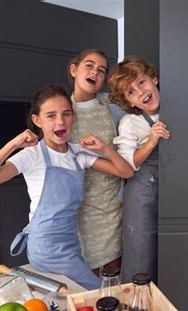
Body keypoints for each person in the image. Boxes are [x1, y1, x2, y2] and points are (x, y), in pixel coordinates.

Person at [0, 85, 133, 290]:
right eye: (51, 116)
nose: (60, 122)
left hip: (70, 243)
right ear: (38, 120)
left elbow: (126, 172)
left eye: (66, 114)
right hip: (46, 246)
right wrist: (13, 144)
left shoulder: (77, 154)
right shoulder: (32, 155)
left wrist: (105, 148)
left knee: (75, 299)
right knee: (99, 294)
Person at [108, 56, 171, 283]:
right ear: (130, 103)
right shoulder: (130, 123)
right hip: (142, 194)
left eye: (141, 82)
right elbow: (128, 165)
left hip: (174, 189)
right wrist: (151, 141)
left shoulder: (177, 108)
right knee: (141, 252)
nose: (140, 92)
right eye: (131, 92)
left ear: (155, 79)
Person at [67, 49, 126, 276]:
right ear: (74, 70)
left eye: (101, 70)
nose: (95, 72)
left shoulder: (112, 106)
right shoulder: (64, 109)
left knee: (115, 271)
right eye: (89, 66)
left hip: (114, 204)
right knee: (87, 273)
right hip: (80, 206)